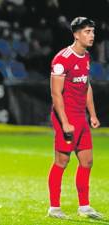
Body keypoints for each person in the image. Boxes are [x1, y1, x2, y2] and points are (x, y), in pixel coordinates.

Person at [48, 17, 103, 219]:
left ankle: (85, 207)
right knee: (62, 162)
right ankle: (54, 207)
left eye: (92, 31)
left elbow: (86, 86)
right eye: (87, 31)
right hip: (66, 117)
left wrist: (93, 114)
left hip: (80, 116)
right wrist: (65, 123)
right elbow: (56, 94)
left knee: (87, 161)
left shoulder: (86, 56)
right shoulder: (62, 60)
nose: (92, 35)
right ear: (76, 34)